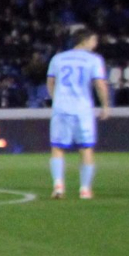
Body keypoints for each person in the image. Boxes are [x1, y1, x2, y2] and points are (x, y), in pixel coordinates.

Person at [46, 26, 110, 199]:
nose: (96, 43)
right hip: (82, 109)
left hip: (61, 108)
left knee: (58, 148)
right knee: (86, 148)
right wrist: (105, 105)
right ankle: (85, 189)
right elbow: (100, 84)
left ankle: (58, 186)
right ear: (85, 41)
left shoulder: (58, 58)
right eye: (94, 40)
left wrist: (55, 99)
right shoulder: (94, 60)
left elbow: (50, 82)